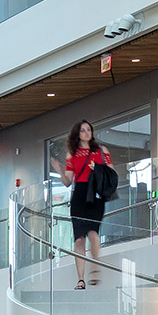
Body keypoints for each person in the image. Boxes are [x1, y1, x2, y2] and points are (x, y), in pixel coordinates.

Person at [62, 120, 116, 287]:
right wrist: (58, 169)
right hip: (79, 195)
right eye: (83, 130)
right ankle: (80, 279)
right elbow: (67, 181)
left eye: (88, 129)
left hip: (95, 194)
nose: (86, 132)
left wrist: (97, 168)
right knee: (79, 240)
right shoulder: (72, 154)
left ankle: (94, 269)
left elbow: (112, 173)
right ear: (77, 134)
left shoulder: (101, 150)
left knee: (93, 233)